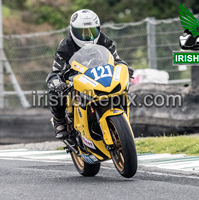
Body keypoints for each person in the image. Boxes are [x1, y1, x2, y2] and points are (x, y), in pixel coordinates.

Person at [46, 9, 134, 139]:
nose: (87, 36)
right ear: (72, 30)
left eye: (92, 31)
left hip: (101, 76)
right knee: (55, 92)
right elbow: (56, 71)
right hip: (76, 78)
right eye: (81, 32)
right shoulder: (66, 45)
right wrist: (57, 82)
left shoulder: (105, 40)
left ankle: (121, 118)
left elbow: (116, 60)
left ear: (98, 29)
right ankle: (59, 121)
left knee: (123, 85)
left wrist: (125, 67)